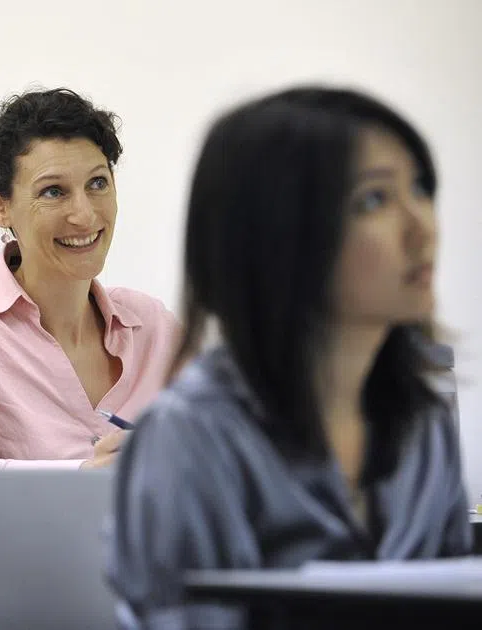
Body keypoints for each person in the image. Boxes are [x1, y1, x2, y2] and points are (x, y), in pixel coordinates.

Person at [107, 86, 472, 629]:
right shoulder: (192, 435)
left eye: (420, 189)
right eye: (374, 199)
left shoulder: (425, 421)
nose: (422, 227)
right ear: (279, 231)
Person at [0, 88, 179, 470]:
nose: (83, 216)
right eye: (54, 192)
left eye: (98, 183)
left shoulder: (154, 325)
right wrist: (80, 478)